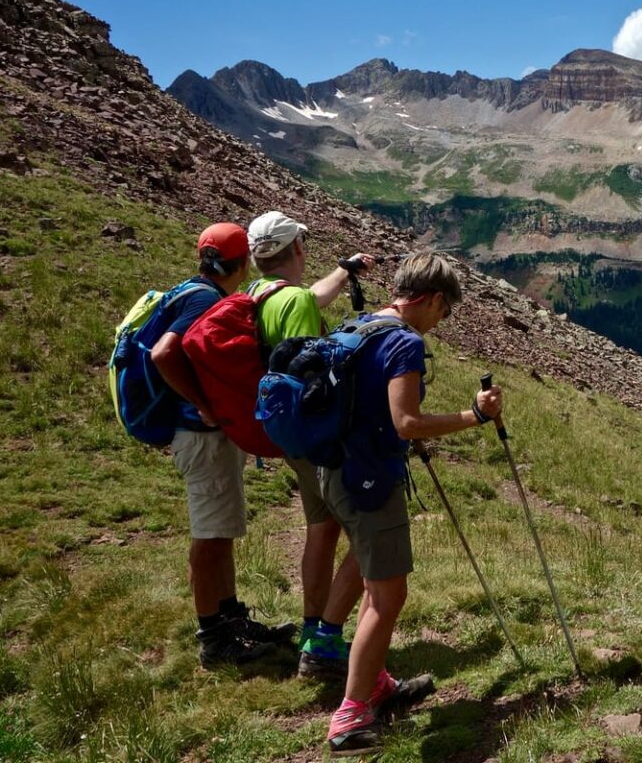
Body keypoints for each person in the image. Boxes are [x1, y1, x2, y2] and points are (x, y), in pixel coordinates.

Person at [324, 252, 501, 757]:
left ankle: (375, 683)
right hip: (369, 479)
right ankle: (351, 717)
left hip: (334, 470)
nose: (442, 322)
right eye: (445, 312)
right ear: (434, 300)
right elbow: (407, 422)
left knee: (372, 584)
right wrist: (474, 417)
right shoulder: (404, 342)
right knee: (388, 596)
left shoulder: (363, 323)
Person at [150, 222, 296, 667]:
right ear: (243, 262)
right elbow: (163, 353)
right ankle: (214, 639)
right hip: (201, 436)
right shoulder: (204, 299)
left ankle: (230, 617)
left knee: (220, 531)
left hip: (202, 436)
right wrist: (202, 405)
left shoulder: (190, 290)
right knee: (211, 535)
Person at [245, 210, 374, 681]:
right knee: (368, 530)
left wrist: (345, 270)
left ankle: (310, 626)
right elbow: (314, 374)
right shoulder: (295, 301)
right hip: (319, 435)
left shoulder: (260, 294)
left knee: (321, 529)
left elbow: (307, 298)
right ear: (296, 248)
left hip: (286, 431)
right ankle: (326, 641)